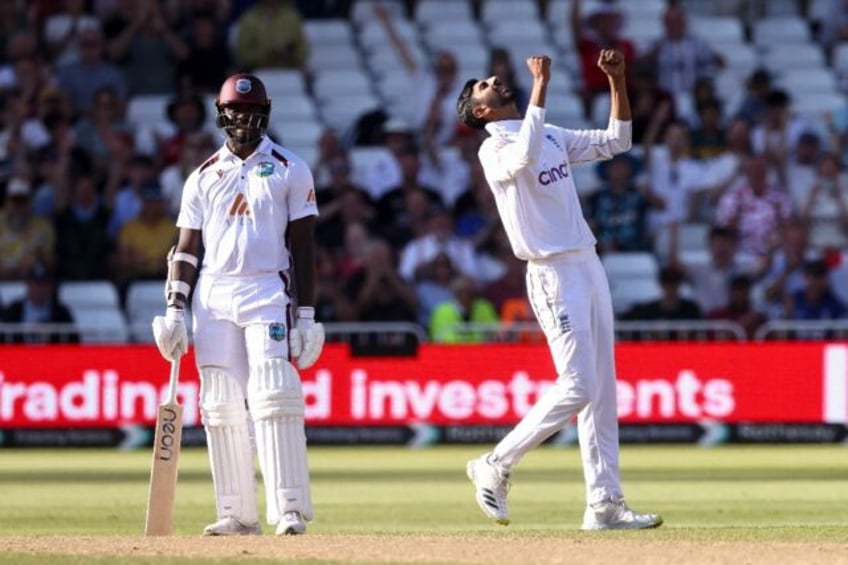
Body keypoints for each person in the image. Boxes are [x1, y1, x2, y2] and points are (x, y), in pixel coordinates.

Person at [456, 52, 662, 530]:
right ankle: (496, 462)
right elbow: (524, 156)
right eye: (482, 86)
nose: (492, 80)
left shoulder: (548, 132)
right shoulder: (494, 149)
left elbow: (618, 140)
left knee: (602, 390)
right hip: (550, 272)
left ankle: (605, 504)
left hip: (586, 262)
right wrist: (540, 86)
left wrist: (618, 81)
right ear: (480, 111)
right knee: (578, 384)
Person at [151, 73, 324, 537]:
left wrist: (306, 315)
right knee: (221, 402)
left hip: (268, 289)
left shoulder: (291, 168)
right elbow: (186, 249)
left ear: (264, 113)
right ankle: (237, 513)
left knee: (273, 395)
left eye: (251, 112)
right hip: (213, 295)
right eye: (236, 112)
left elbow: (304, 247)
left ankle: (288, 508)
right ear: (222, 114)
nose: (243, 119)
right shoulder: (203, 176)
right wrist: (174, 309)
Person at [0, 261, 79, 344]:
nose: (38, 289)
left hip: (51, 356)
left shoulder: (62, 313)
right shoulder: (13, 310)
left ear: (51, 286)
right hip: (19, 356)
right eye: (35, 284)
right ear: (28, 285)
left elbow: (74, 343)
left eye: (43, 284)